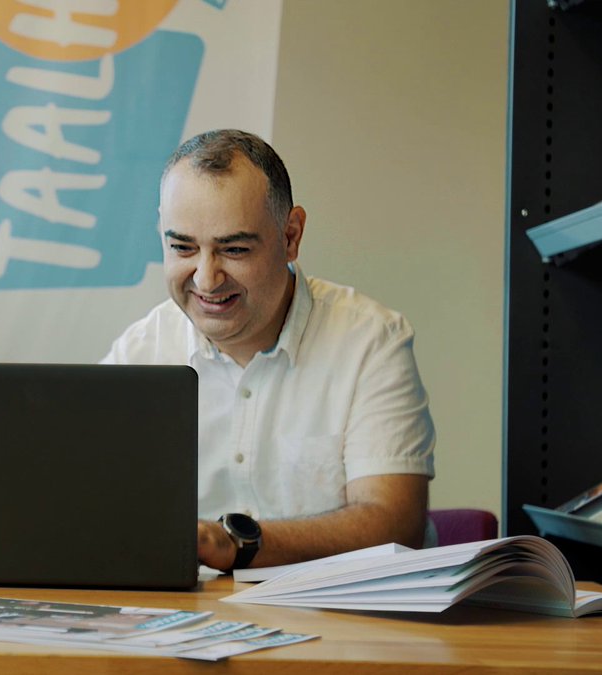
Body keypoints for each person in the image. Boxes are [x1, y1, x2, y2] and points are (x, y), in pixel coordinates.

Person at [101, 129, 435, 573]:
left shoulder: (370, 341)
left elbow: (395, 525)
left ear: (291, 236)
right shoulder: (138, 353)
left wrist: (232, 543)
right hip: (186, 623)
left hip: (345, 626)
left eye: (234, 249)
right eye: (182, 247)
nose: (205, 279)